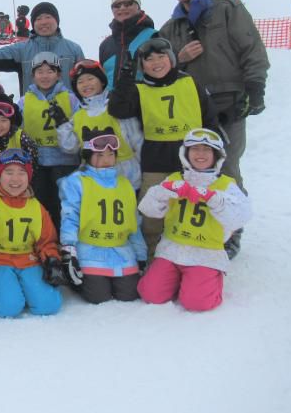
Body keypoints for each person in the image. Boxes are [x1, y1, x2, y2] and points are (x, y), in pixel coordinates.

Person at [159, 0, 268, 258]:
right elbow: (160, 68)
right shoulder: (171, 26)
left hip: (228, 101)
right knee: (192, 168)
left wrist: (255, 86)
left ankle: (231, 229)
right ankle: (197, 225)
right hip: (191, 109)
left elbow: (251, 47)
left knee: (227, 167)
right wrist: (178, 59)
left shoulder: (227, 10)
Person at [108, 37, 215, 260]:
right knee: (152, 213)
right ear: (142, 66)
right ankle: (152, 257)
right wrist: (125, 80)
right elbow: (118, 110)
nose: (156, 63)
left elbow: (210, 119)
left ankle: (193, 257)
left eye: (161, 56)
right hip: (156, 160)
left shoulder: (189, 82)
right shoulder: (140, 89)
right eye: (149, 60)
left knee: (191, 209)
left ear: (172, 59)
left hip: (192, 160)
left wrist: (213, 156)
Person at [138, 128, 251, 311]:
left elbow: (241, 216)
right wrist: (163, 191)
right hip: (172, 249)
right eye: (195, 149)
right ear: (186, 153)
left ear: (217, 155)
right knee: (151, 294)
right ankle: (180, 279)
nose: (200, 154)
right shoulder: (175, 179)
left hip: (205, 253)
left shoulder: (225, 184)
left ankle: (209, 279)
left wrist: (213, 198)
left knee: (196, 303)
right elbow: (147, 208)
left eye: (207, 150)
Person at [0, 149, 62, 317]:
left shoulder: (36, 207)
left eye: (21, 173)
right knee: (9, 308)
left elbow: (46, 241)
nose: (15, 179)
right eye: (9, 172)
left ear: (29, 177)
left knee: (49, 305)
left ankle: (18, 286)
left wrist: (51, 259)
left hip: (28, 260)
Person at [58, 128, 147, 304]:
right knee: (99, 297)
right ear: (88, 157)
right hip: (91, 250)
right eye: (99, 155)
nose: (106, 160)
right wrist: (69, 250)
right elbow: (70, 216)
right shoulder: (77, 181)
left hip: (121, 251)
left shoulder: (124, 184)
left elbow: (133, 222)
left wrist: (141, 255)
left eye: (110, 155)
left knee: (129, 295)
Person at [56, 59, 143, 190]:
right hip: (93, 179)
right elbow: (71, 147)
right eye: (80, 82)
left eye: (90, 79)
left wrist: (143, 169)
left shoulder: (116, 108)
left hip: (125, 176)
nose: (85, 84)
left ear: (102, 81)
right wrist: (62, 123)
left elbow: (137, 140)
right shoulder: (79, 116)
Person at [21, 51, 80, 229]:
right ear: (33, 76)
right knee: (41, 204)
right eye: (40, 72)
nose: (45, 76)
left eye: (50, 71)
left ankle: (66, 242)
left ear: (58, 74)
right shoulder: (24, 101)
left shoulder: (71, 99)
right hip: (37, 162)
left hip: (65, 161)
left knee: (65, 205)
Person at [0, 1, 84, 94]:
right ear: (33, 24)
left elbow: (85, 82)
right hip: (31, 112)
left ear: (57, 20)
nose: (43, 22)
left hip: (68, 112)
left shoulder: (74, 50)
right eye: (38, 19)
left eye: (48, 17)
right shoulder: (21, 49)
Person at [98, 0, 158, 91]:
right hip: (112, 104)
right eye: (117, 5)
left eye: (128, 3)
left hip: (145, 101)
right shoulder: (105, 45)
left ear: (138, 7)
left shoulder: (153, 36)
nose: (122, 8)